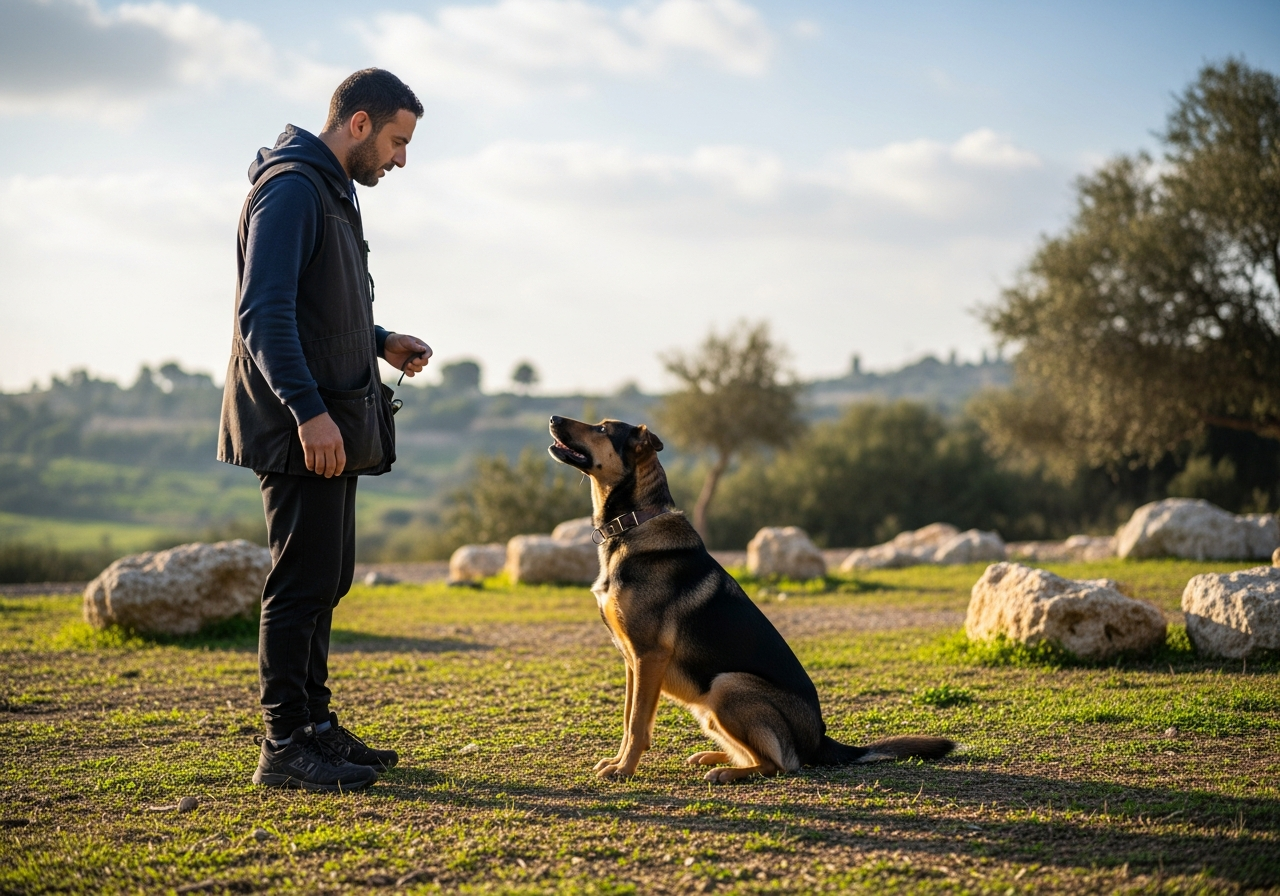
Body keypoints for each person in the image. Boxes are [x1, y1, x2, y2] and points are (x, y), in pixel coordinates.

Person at [217, 69, 432, 792]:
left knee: (327, 576)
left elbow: (317, 303)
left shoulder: (329, 191)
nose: (401, 160)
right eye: (398, 142)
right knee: (299, 581)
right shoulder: (291, 188)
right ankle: (284, 745)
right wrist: (308, 411)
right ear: (361, 124)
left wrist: (379, 339)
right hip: (296, 423)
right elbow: (264, 313)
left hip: (327, 418)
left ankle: (314, 725)